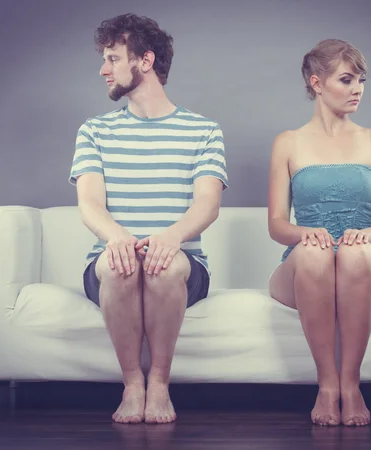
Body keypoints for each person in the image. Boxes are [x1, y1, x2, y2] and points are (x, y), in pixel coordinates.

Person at [69, 13, 228, 424]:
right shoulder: (94, 131)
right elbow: (90, 204)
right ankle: (132, 385)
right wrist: (119, 238)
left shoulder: (204, 131)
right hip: (109, 262)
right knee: (121, 264)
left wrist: (170, 238)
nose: (104, 70)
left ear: (145, 60)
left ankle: (158, 384)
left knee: (162, 264)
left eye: (112, 58)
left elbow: (207, 205)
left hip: (181, 265)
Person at [267, 39, 371, 427]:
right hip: (307, 262)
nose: (357, 88)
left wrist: (366, 237)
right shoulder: (288, 142)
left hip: (364, 261)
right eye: (346, 79)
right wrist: (306, 233)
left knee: (354, 254)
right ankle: (327, 386)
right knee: (313, 252)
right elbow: (277, 225)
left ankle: (351, 385)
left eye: (361, 79)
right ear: (317, 82)